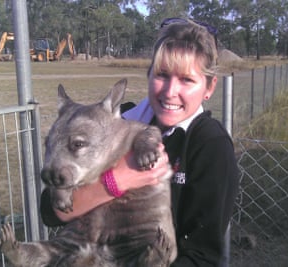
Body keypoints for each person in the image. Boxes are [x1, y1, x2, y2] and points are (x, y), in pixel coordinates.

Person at [40, 17, 239, 266]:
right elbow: (52, 211)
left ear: (209, 87)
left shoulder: (210, 146)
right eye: (162, 75)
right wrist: (117, 180)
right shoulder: (120, 120)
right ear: (148, 76)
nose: (169, 91)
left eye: (187, 80)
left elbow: (202, 256)